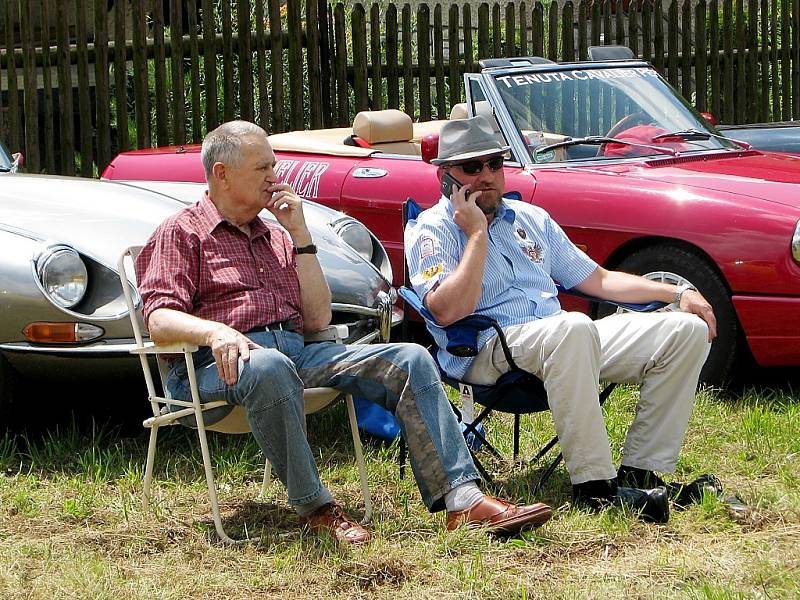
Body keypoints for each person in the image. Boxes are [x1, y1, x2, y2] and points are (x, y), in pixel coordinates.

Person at [135, 120, 553, 545]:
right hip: (210, 367)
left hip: (294, 356)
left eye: (273, 167)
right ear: (221, 173)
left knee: (408, 357)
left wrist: (299, 235)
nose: (273, 178)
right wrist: (214, 333)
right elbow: (159, 318)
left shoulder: (276, 236)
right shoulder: (182, 232)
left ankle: (462, 499)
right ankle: (316, 508)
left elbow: (316, 321)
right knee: (269, 365)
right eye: (262, 168)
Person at [405, 115, 722, 524]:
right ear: (445, 177)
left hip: (564, 343)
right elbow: (446, 311)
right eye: (471, 167)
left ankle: (643, 472)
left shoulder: (531, 219)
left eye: (495, 164)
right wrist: (477, 235)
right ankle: (596, 488)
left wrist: (678, 293)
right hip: (487, 350)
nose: (486, 176)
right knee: (572, 327)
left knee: (685, 330)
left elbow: (600, 280)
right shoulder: (431, 230)